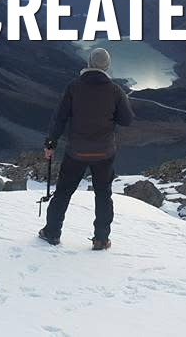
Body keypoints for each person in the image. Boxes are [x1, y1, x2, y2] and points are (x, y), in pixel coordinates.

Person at [38, 47, 134, 250]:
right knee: (103, 195)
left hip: (76, 152)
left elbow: (60, 118)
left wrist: (50, 143)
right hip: (104, 153)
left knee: (63, 193)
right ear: (107, 66)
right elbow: (126, 120)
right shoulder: (115, 91)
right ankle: (101, 239)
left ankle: (52, 233)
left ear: (89, 63)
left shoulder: (74, 87)